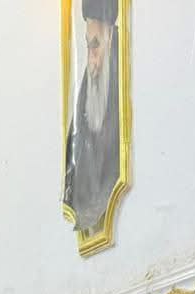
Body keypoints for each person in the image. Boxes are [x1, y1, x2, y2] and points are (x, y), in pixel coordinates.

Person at [63, 0, 120, 233]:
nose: (91, 60)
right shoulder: (87, 89)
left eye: (95, 46)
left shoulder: (120, 80)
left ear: (111, 38)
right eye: (87, 47)